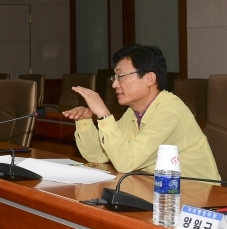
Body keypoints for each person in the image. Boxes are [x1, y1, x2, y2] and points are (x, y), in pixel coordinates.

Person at [62, 44, 220, 179]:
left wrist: (104, 115)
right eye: (114, 77)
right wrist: (85, 121)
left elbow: (126, 162)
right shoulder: (133, 112)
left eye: (121, 76)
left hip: (201, 201)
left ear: (149, 79)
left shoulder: (170, 112)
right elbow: (99, 155)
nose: (114, 84)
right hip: (160, 192)